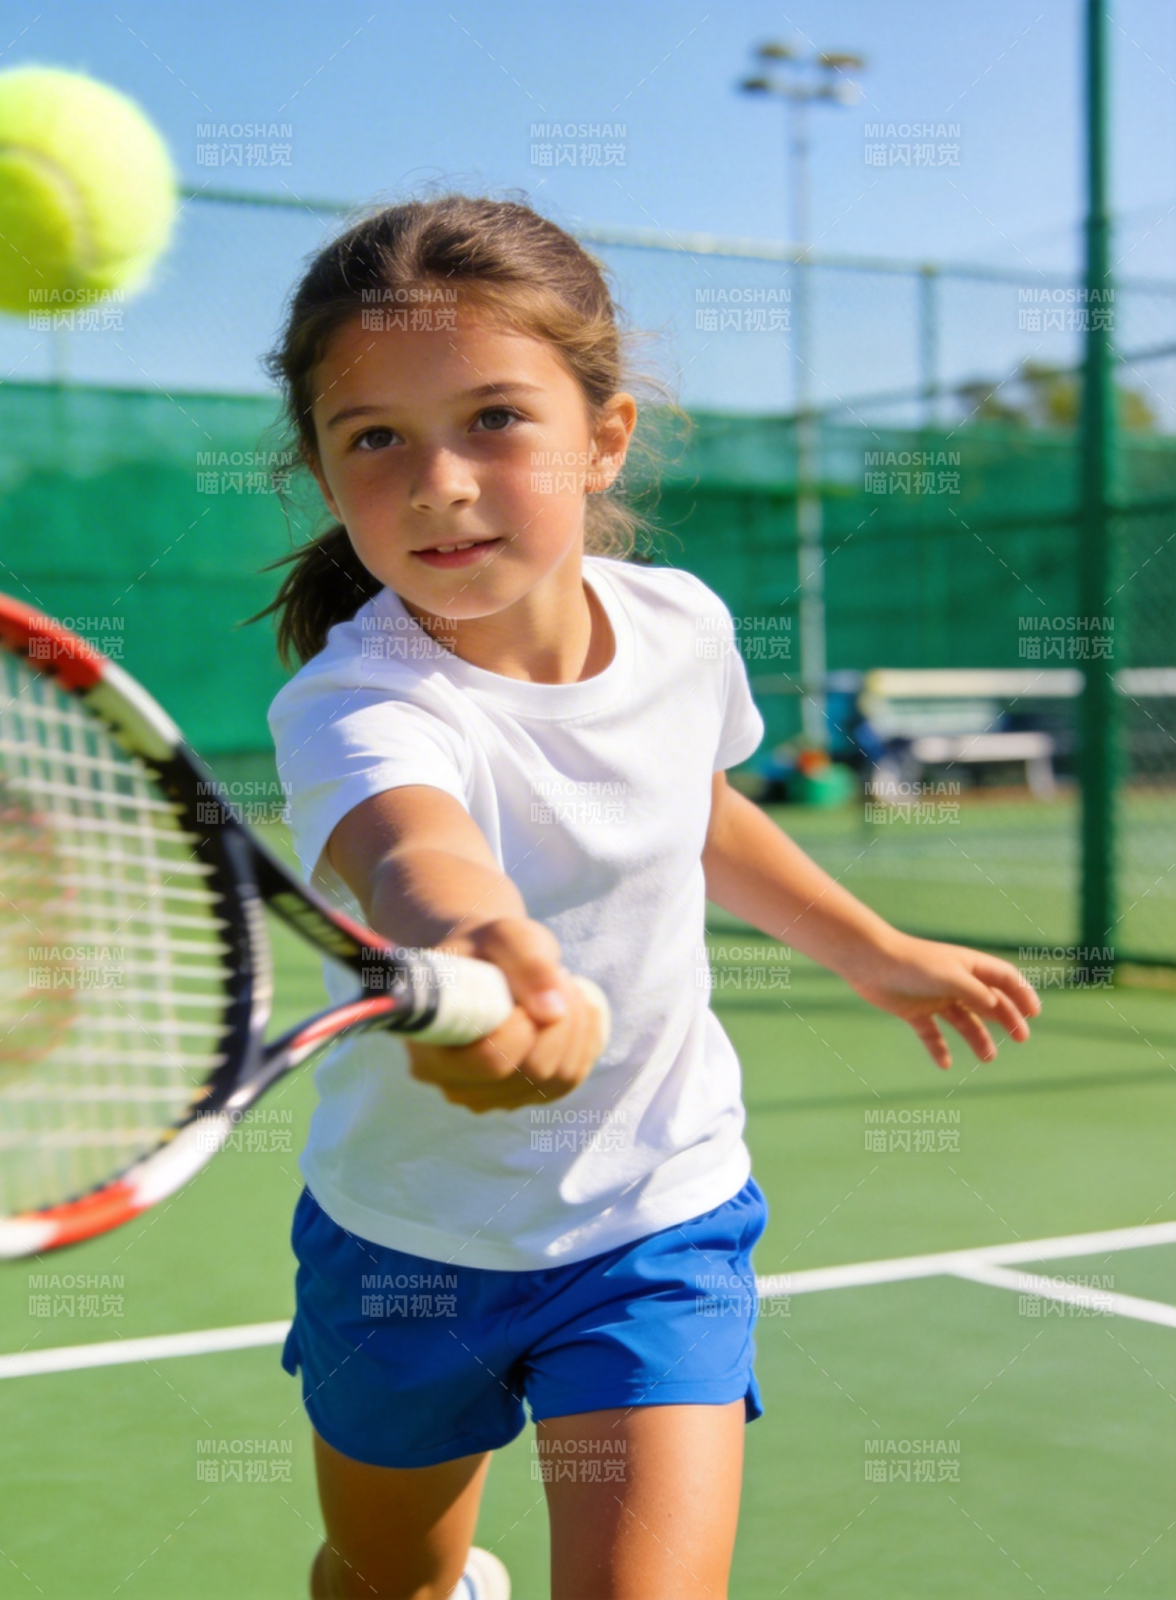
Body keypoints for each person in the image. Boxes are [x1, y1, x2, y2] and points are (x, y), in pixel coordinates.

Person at [254, 192, 1041, 1600]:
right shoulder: (353, 702)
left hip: (656, 1219)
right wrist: (487, 948)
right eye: (374, 438)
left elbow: (702, 811)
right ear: (322, 474)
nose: (437, 481)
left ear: (603, 434)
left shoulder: (682, 625)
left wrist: (869, 946)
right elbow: (415, 851)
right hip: (404, 1247)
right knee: (385, 1582)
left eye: (495, 418)